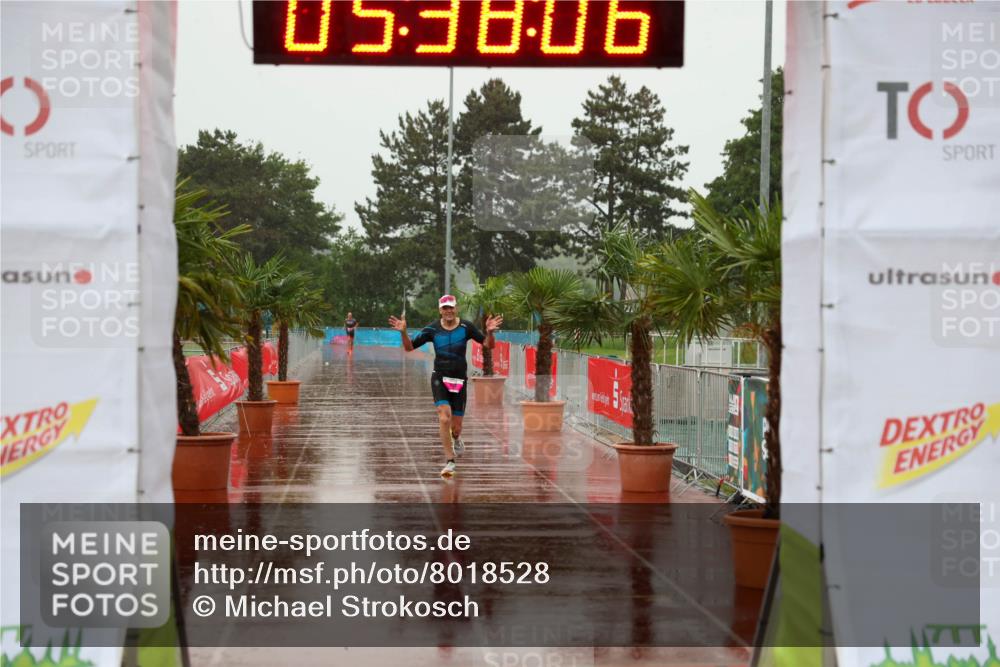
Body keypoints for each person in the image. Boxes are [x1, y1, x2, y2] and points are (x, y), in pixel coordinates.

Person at [389, 295, 502, 478]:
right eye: (445, 308)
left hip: (459, 380)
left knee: (456, 428)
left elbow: (488, 346)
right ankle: (450, 461)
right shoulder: (432, 329)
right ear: (440, 310)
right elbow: (409, 348)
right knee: (444, 417)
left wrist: (489, 332)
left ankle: (456, 439)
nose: (448, 311)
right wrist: (403, 332)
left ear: (455, 308)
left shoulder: (466, 327)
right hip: (439, 377)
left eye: (451, 307)